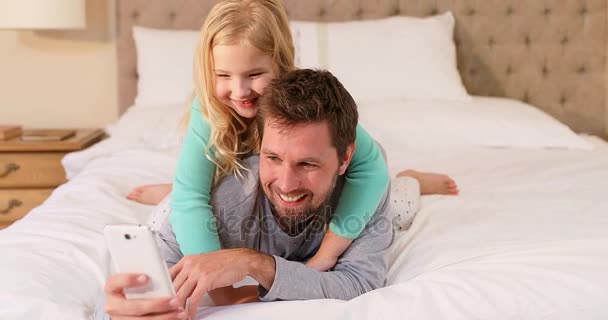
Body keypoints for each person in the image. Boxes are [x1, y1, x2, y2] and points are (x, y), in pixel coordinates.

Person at [104, 68, 394, 320]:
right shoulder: (224, 204)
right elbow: (124, 301)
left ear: (346, 158)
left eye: (307, 163)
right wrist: (121, 312)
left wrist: (252, 262)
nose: (286, 184)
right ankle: (167, 189)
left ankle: (413, 181)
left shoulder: (367, 188)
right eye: (273, 158)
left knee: (404, 206)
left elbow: (359, 286)